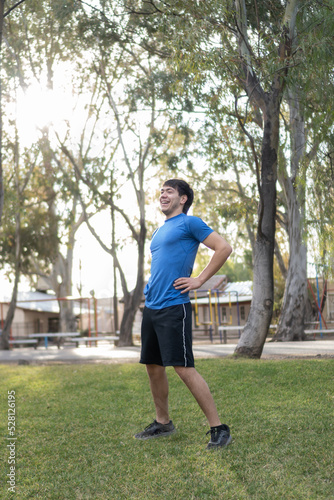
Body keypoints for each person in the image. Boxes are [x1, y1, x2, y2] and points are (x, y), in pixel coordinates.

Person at [134, 179, 233, 449]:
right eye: (162, 191)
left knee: (183, 367)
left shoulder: (190, 223)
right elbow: (163, 264)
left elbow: (223, 248)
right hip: (153, 306)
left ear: (183, 199)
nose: (163, 194)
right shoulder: (159, 231)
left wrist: (199, 279)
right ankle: (162, 422)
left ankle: (218, 428)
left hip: (174, 305)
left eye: (169, 191)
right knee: (153, 366)